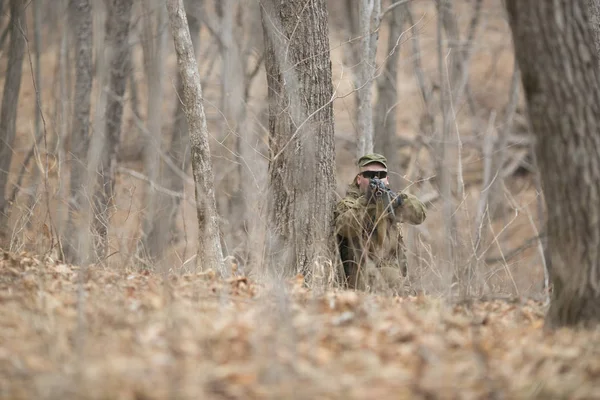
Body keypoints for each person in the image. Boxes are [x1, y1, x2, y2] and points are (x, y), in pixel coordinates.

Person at [335, 153, 426, 293]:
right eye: (369, 174)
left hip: (392, 274)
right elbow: (344, 227)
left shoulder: (390, 201)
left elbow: (419, 215)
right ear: (359, 179)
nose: (375, 178)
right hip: (360, 276)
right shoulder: (349, 203)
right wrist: (367, 203)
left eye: (380, 174)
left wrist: (398, 201)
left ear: (387, 179)